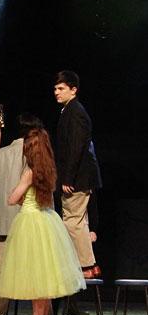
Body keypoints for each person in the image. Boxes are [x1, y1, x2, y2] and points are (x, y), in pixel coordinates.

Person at [0, 128, 87, 315]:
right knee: (42, 279)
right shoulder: (48, 170)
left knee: (35, 278)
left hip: (30, 222)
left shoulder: (29, 172)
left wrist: (18, 193)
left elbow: (12, 199)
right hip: (46, 219)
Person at [0, 114, 40, 315]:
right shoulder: (31, 154)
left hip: (2, 224)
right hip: (26, 221)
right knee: (40, 272)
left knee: (0, 274)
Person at [54, 70, 102, 278]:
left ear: (73, 90)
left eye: (61, 88)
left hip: (77, 178)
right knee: (78, 221)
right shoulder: (69, 111)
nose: (56, 92)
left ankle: (86, 266)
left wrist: (68, 178)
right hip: (78, 177)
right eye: (56, 88)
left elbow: (76, 147)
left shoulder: (76, 112)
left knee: (72, 220)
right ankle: (87, 265)